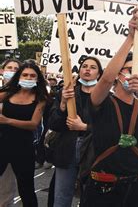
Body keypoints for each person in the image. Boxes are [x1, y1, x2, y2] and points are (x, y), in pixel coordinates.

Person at [80, 9, 138, 207]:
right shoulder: (103, 102)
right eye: (128, 70)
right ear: (119, 74)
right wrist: (130, 39)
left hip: (134, 188)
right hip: (103, 189)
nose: (135, 74)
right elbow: (106, 78)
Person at [48, 56, 103, 207]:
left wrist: (84, 127)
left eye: (93, 67)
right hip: (67, 149)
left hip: (93, 151)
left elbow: (108, 128)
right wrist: (63, 104)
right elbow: (53, 124)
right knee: (61, 196)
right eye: (84, 66)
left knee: (91, 196)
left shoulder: (105, 98)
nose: (87, 69)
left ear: (99, 74)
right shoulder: (66, 93)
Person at [0, 60, 49, 207]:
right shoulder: (8, 93)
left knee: (26, 189)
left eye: (32, 76)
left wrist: (7, 120)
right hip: (2, 144)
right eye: (25, 75)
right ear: (19, 77)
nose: (28, 78)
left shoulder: (40, 99)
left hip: (24, 148)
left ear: (37, 79)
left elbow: (33, 124)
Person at [0, 59, 21, 207]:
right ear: (2, 70)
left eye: (16, 69)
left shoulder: (25, 94)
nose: (12, 71)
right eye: (9, 68)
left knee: (6, 188)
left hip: (10, 145)